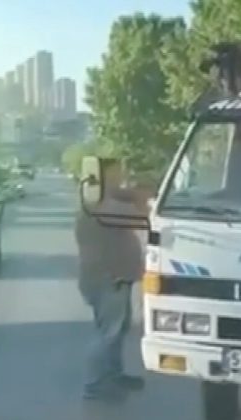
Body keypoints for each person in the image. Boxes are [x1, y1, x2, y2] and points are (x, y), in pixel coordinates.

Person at [74, 158, 153, 401]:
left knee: (116, 330)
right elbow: (145, 214)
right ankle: (94, 383)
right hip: (109, 279)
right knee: (108, 332)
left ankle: (113, 374)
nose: (121, 179)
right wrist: (137, 194)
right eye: (116, 175)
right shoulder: (105, 206)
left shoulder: (95, 203)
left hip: (110, 277)